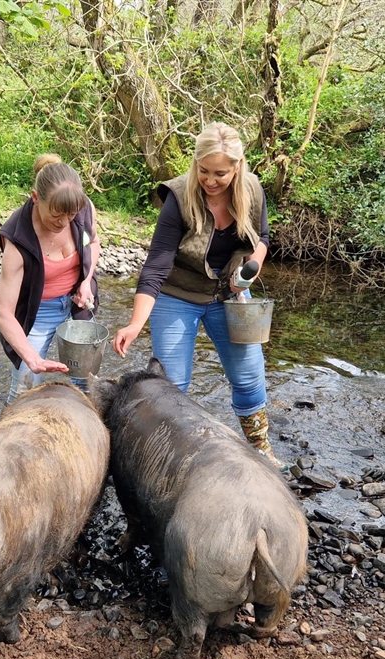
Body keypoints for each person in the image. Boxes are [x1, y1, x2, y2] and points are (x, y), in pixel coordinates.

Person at [112, 122, 283, 468]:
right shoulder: (178, 198)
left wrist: (252, 266)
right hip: (177, 293)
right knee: (172, 387)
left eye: (220, 173)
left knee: (249, 375)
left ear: (238, 166)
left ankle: (261, 449)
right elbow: (157, 266)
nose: (210, 180)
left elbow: (262, 237)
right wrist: (134, 324)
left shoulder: (252, 191)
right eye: (203, 170)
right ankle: (170, 459)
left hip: (229, 295)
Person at [0, 154, 100, 403]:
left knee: (86, 383)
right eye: (55, 216)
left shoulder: (84, 209)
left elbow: (93, 242)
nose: (64, 223)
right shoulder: (18, 241)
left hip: (78, 303)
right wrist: (33, 359)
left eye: (70, 215)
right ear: (35, 198)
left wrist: (86, 282)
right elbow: (3, 313)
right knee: (25, 385)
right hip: (38, 311)